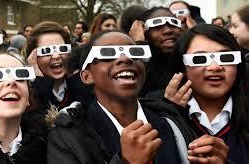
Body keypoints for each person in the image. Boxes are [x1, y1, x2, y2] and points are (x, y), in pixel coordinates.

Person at [47, 30, 181, 164]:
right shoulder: (67, 136)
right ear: (87, 76)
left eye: (134, 53)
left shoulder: (171, 122)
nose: (125, 58)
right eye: (108, 54)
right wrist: (126, 161)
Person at [165, 24, 248, 163]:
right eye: (200, 59)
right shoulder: (160, 116)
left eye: (226, 57)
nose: (215, 67)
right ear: (183, 67)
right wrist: (169, 115)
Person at [26, 21, 92, 110]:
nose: (56, 55)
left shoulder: (83, 84)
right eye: (46, 51)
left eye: (62, 49)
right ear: (33, 57)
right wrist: (39, 82)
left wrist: (76, 82)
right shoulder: (25, 93)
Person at [139, 7, 183, 95]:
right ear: (145, 34)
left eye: (173, 25)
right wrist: (139, 44)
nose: (168, 31)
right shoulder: (140, 63)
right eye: (157, 27)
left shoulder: (188, 61)